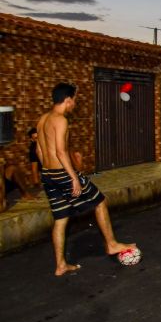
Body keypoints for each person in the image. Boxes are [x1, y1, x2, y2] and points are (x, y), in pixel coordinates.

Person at [36, 82, 135, 276]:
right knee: (100, 202)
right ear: (67, 100)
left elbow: (39, 150)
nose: (74, 104)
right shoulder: (60, 120)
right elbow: (61, 151)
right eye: (74, 100)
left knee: (61, 218)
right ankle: (112, 244)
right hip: (63, 174)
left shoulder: (42, 120)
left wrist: (49, 171)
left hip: (48, 175)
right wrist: (73, 178)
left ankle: (60, 265)